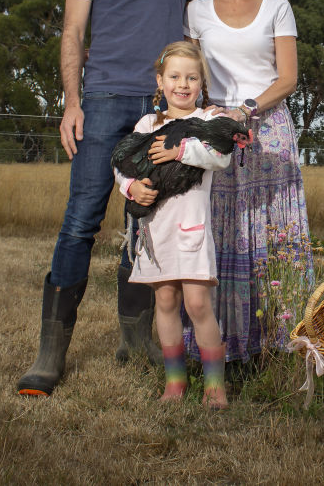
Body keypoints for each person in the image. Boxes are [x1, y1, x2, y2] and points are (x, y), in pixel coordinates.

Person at [17, 0, 210, 396]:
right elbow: (74, 32)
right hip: (102, 99)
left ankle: (136, 339)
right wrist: (72, 101)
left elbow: (195, 42)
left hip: (160, 109)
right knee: (82, 219)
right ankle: (49, 355)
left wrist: (197, 110)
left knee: (145, 221)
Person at [183, 0, 313, 364]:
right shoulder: (196, 11)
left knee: (269, 234)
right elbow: (195, 74)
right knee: (223, 233)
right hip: (217, 133)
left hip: (269, 130)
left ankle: (276, 348)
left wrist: (247, 109)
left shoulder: (277, 5)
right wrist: (209, 117)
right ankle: (222, 350)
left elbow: (288, 78)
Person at [115, 41, 232, 409]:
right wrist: (130, 187)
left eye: (192, 77)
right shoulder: (148, 123)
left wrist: (178, 151)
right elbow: (123, 163)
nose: (183, 84)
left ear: (202, 83)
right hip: (155, 230)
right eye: (175, 76)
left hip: (191, 229)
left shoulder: (210, 122)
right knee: (165, 300)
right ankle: (175, 382)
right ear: (160, 81)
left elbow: (220, 157)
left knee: (197, 304)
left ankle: (215, 388)